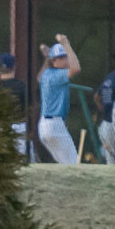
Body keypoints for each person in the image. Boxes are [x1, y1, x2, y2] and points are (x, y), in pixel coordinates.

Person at [36, 34, 81, 163]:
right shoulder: (58, 74)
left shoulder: (46, 73)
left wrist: (47, 57)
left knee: (65, 165)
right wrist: (66, 44)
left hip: (44, 125)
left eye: (65, 56)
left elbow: (39, 78)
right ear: (54, 61)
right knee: (73, 163)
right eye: (61, 57)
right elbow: (76, 69)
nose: (66, 59)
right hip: (54, 124)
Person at [0, 52, 35, 162]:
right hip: (19, 127)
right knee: (27, 161)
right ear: (14, 67)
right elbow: (29, 108)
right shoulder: (22, 86)